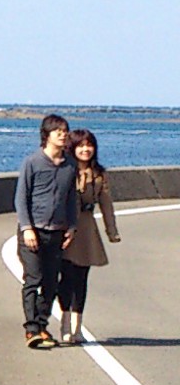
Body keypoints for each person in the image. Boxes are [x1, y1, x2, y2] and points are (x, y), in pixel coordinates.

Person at [15, 114, 78, 348]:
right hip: (33, 231)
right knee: (33, 279)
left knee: (51, 282)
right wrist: (27, 228)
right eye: (58, 131)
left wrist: (72, 227)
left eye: (65, 131)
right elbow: (21, 199)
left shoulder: (70, 165)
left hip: (57, 232)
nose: (63, 135)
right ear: (47, 135)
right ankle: (31, 329)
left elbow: (72, 199)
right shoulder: (32, 162)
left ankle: (42, 326)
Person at [56, 128, 120, 345]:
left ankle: (77, 327)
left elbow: (107, 204)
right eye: (81, 145)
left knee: (81, 279)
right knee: (66, 279)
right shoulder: (64, 170)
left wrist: (112, 231)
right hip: (65, 229)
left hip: (86, 229)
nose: (86, 149)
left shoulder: (100, 174)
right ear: (72, 148)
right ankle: (64, 325)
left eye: (89, 145)